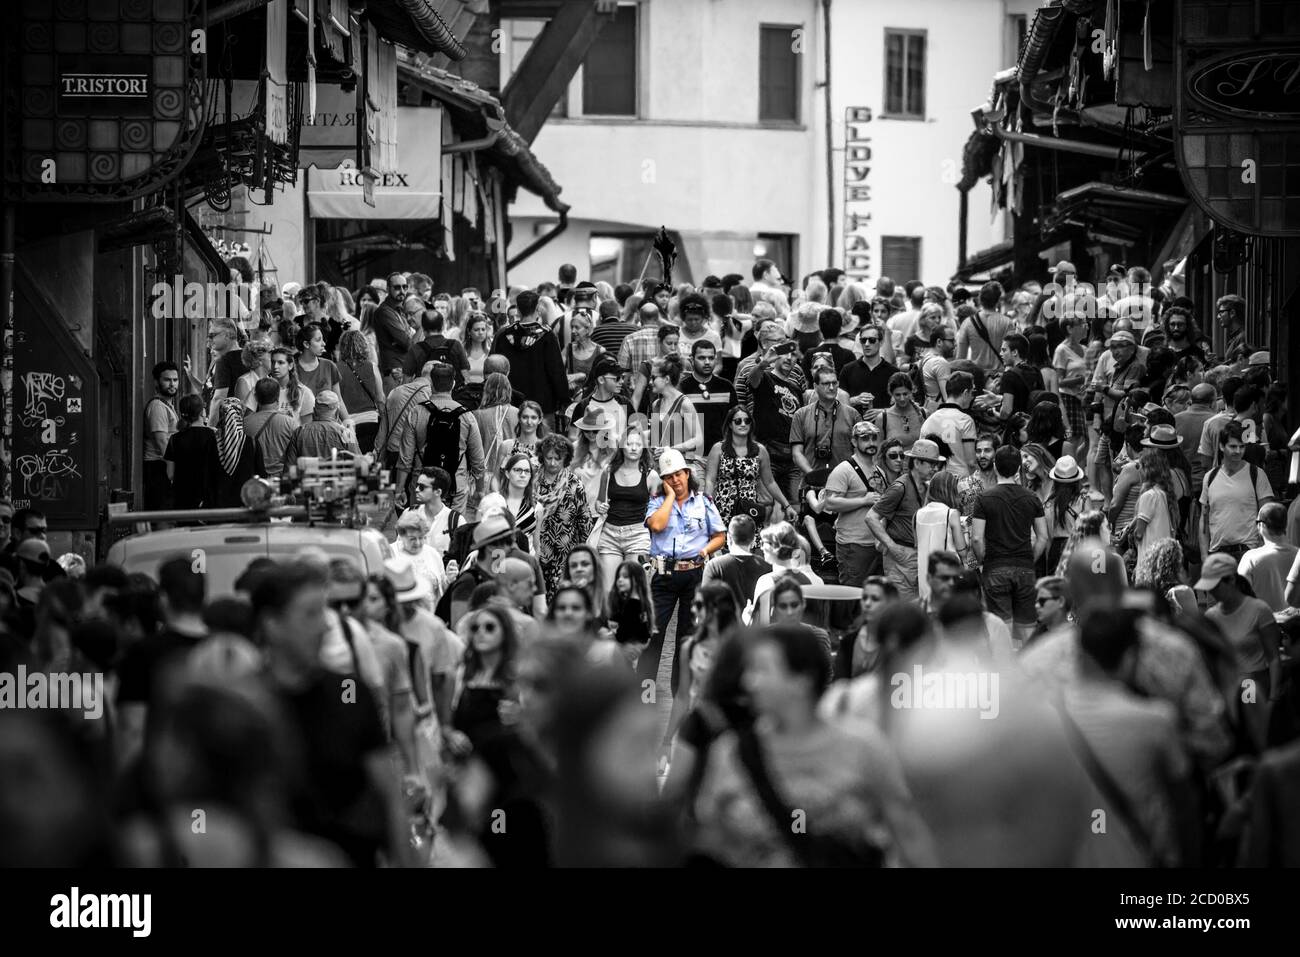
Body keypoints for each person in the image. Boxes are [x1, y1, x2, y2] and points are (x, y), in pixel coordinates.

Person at [692, 623, 938, 868]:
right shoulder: (730, 754)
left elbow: (909, 836)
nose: (748, 681)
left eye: (762, 669)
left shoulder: (864, 748)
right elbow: (713, 842)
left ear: (802, 679)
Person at [640, 449, 727, 696]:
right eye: (669, 477)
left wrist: (705, 550)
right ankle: (646, 695)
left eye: (678, 474)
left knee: (686, 637)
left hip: (693, 574)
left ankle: (680, 692)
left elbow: (720, 536)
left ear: (687, 474)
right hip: (663, 575)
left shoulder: (703, 502)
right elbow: (656, 525)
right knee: (653, 635)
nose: (675, 481)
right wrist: (668, 497)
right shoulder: (657, 503)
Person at [1196, 552, 1282, 750]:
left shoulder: (1259, 610)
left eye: (1215, 587)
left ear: (1231, 580)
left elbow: (1274, 658)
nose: (1212, 593)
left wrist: (1273, 699)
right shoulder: (1211, 616)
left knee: (1253, 741)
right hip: (1226, 691)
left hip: (1252, 684)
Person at [971, 445, 1048, 644]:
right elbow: (1043, 538)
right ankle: (1030, 670)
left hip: (995, 567)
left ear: (995, 466)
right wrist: (1030, 558)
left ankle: (1004, 671)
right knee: (1027, 629)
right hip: (1024, 568)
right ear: (1019, 468)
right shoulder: (1032, 498)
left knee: (1001, 629)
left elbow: (977, 538)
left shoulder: (984, 499)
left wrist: (984, 561)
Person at [395, 361, 485, 514]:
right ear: (453, 383)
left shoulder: (417, 412)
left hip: (422, 487)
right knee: (451, 532)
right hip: (455, 488)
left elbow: (405, 459)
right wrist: (480, 490)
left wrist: (399, 490)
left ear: (431, 383)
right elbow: (478, 461)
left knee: (422, 532)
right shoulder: (466, 416)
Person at [865, 438, 945, 603]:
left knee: (918, 605)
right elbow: (871, 517)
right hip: (901, 557)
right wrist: (892, 547)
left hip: (919, 555)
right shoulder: (899, 487)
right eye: (931, 464)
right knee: (902, 607)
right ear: (917, 462)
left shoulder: (928, 486)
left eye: (936, 464)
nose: (935, 468)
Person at [705, 405, 794, 526]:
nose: (743, 424)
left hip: (750, 510)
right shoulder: (718, 449)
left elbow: (770, 482)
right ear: (730, 425)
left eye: (747, 421)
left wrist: (786, 505)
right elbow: (710, 480)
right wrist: (706, 505)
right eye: (738, 421)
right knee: (724, 543)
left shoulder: (760, 450)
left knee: (751, 543)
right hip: (723, 508)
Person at [823, 420, 889, 583]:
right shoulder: (844, 469)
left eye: (874, 438)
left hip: (876, 543)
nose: (871, 443)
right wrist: (863, 500)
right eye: (865, 439)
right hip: (853, 544)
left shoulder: (879, 470)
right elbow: (829, 503)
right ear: (854, 441)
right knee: (852, 596)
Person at [1199, 421, 1276, 562]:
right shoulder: (1209, 477)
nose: (1238, 451)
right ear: (1222, 446)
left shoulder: (1257, 474)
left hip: (1249, 553)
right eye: (1233, 446)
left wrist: (1263, 551)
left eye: (1242, 447)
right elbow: (1204, 519)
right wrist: (1204, 556)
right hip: (1217, 554)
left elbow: (1268, 516)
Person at [491, 290, 569, 427]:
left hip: (511, 402)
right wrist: (563, 399)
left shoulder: (504, 335)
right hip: (543, 403)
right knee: (543, 445)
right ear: (538, 309)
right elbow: (556, 370)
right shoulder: (546, 336)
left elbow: (496, 368)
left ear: (518, 311)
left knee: (514, 444)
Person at [596, 424, 659, 584]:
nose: (633, 448)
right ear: (622, 446)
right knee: (608, 589)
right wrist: (600, 506)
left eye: (638, 444)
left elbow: (657, 509)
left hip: (638, 534)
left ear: (643, 448)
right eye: (629, 444)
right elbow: (599, 501)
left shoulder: (651, 476)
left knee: (635, 589)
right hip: (610, 533)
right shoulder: (608, 471)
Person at [534, 433, 594, 599]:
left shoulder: (575, 483)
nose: (553, 463)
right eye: (549, 457)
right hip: (538, 551)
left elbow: (584, 520)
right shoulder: (532, 482)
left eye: (557, 458)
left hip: (565, 554)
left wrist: (584, 551)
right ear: (542, 457)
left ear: (565, 459)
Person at [791, 364, 861, 475]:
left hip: (846, 482)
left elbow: (860, 451)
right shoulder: (801, 415)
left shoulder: (853, 414)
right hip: (811, 481)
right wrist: (812, 474)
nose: (832, 387)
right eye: (826, 384)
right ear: (815, 386)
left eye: (834, 383)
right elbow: (796, 453)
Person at [915, 472, 969, 602]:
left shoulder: (918, 513)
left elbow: (917, 544)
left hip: (925, 573)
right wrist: (965, 530)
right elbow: (962, 551)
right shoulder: (951, 513)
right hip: (948, 573)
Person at [677, 340, 736, 458]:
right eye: (702, 358)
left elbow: (735, 420)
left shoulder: (726, 386)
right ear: (692, 360)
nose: (707, 362)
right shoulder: (681, 388)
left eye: (711, 358)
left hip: (723, 454)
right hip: (692, 456)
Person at [164, 394, 220, 509]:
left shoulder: (174, 438)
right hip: (205, 498)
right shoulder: (210, 435)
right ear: (202, 412)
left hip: (181, 499)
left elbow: (170, 474)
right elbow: (216, 468)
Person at [920, 371, 978, 477]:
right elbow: (971, 462)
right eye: (972, 392)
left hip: (935, 481)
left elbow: (922, 456)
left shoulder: (929, 420)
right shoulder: (965, 420)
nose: (972, 397)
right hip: (961, 483)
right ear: (965, 393)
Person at [335, 329, 384, 455]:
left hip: (348, 426)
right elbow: (380, 398)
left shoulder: (335, 368)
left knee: (351, 462)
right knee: (370, 461)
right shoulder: (372, 366)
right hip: (371, 422)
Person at [212, 398, 264, 508]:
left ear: (221, 415)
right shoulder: (252, 442)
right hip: (246, 506)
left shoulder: (212, 442)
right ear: (241, 416)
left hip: (218, 510)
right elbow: (262, 476)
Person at [293, 324, 351, 421]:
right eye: (318, 340)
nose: (323, 343)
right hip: (302, 428)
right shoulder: (292, 368)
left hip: (329, 426)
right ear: (306, 344)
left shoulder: (329, 366)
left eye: (323, 340)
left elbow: (339, 400)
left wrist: (348, 423)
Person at [144, 361, 181, 510]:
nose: (172, 384)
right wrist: (173, 473)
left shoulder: (167, 405)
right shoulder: (157, 407)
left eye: (175, 380)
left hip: (164, 465)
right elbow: (162, 443)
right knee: (162, 514)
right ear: (156, 382)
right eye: (167, 380)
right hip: (158, 466)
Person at [283, 390, 359, 463]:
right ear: (337, 413)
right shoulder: (346, 433)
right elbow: (359, 463)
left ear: (314, 411)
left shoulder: (299, 432)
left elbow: (289, 469)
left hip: (307, 476)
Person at [607, 561, 655, 667]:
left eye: (625, 577)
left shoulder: (635, 605)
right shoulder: (624, 601)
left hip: (623, 655)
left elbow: (641, 633)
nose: (620, 580)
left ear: (637, 580)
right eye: (618, 577)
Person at [200, 317, 245, 420]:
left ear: (227, 335)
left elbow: (218, 399)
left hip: (227, 427)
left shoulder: (224, 360)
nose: (209, 341)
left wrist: (210, 429)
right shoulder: (248, 356)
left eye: (212, 335)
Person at [372, 273, 411, 390]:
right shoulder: (384, 311)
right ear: (388, 289)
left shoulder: (400, 310)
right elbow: (406, 342)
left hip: (402, 370)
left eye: (405, 287)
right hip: (393, 373)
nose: (402, 291)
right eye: (397, 287)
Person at [879, 372, 925, 451]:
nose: (902, 398)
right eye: (898, 395)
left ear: (911, 391)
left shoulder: (923, 414)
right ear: (891, 394)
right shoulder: (883, 418)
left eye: (905, 394)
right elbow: (879, 450)